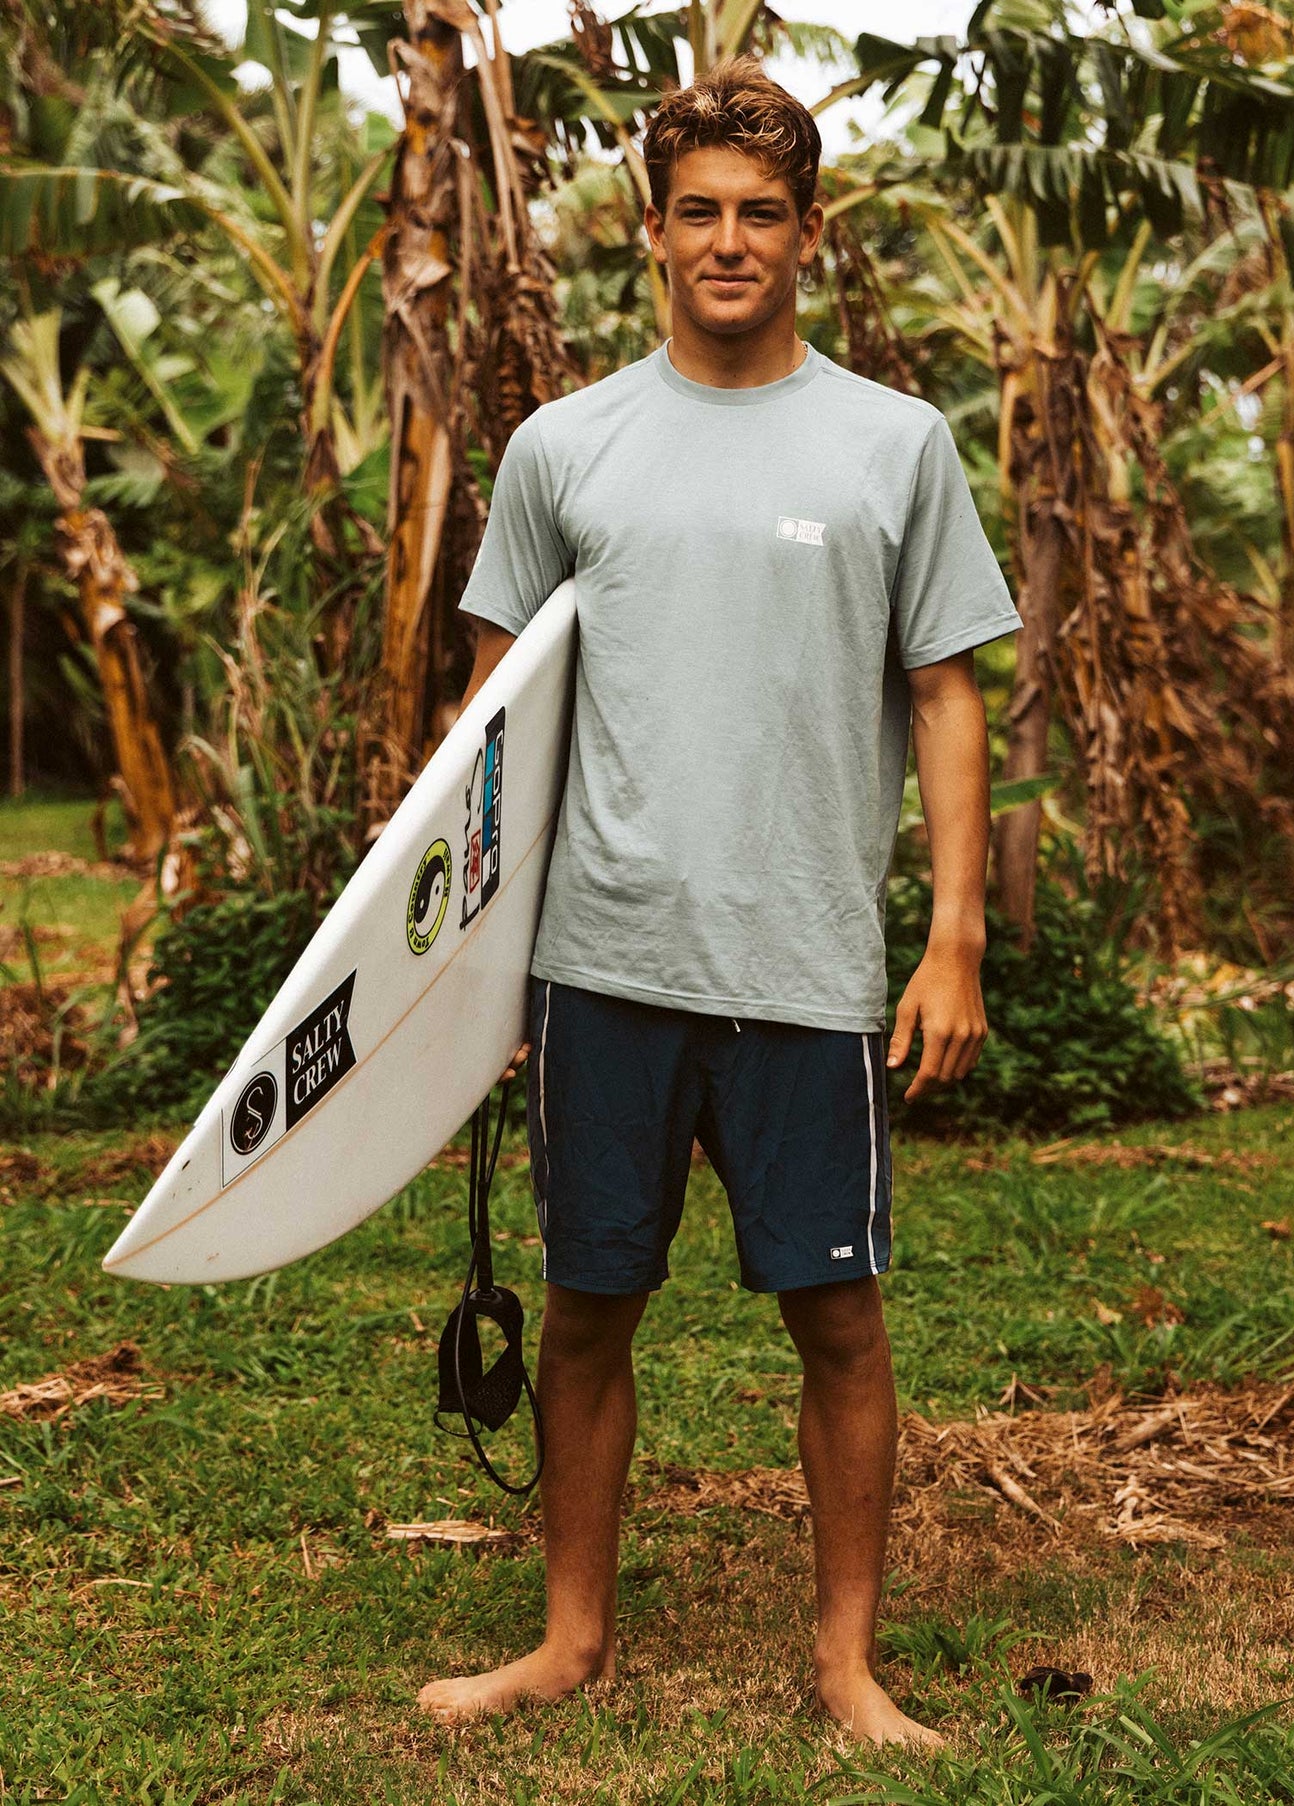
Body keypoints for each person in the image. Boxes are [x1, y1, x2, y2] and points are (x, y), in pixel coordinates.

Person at [417, 54, 1022, 1747]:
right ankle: (568, 1639)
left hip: (808, 958)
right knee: (591, 1301)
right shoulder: (566, 445)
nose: (729, 240)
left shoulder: (893, 443)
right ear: (651, 229)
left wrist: (952, 933)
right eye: (699, 212)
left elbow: (945, 691)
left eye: (762, 213)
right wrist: (465, 977)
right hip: (601, 953)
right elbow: (491, 725)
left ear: (808, 233)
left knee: (836, 1311)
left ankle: (842, 1660)